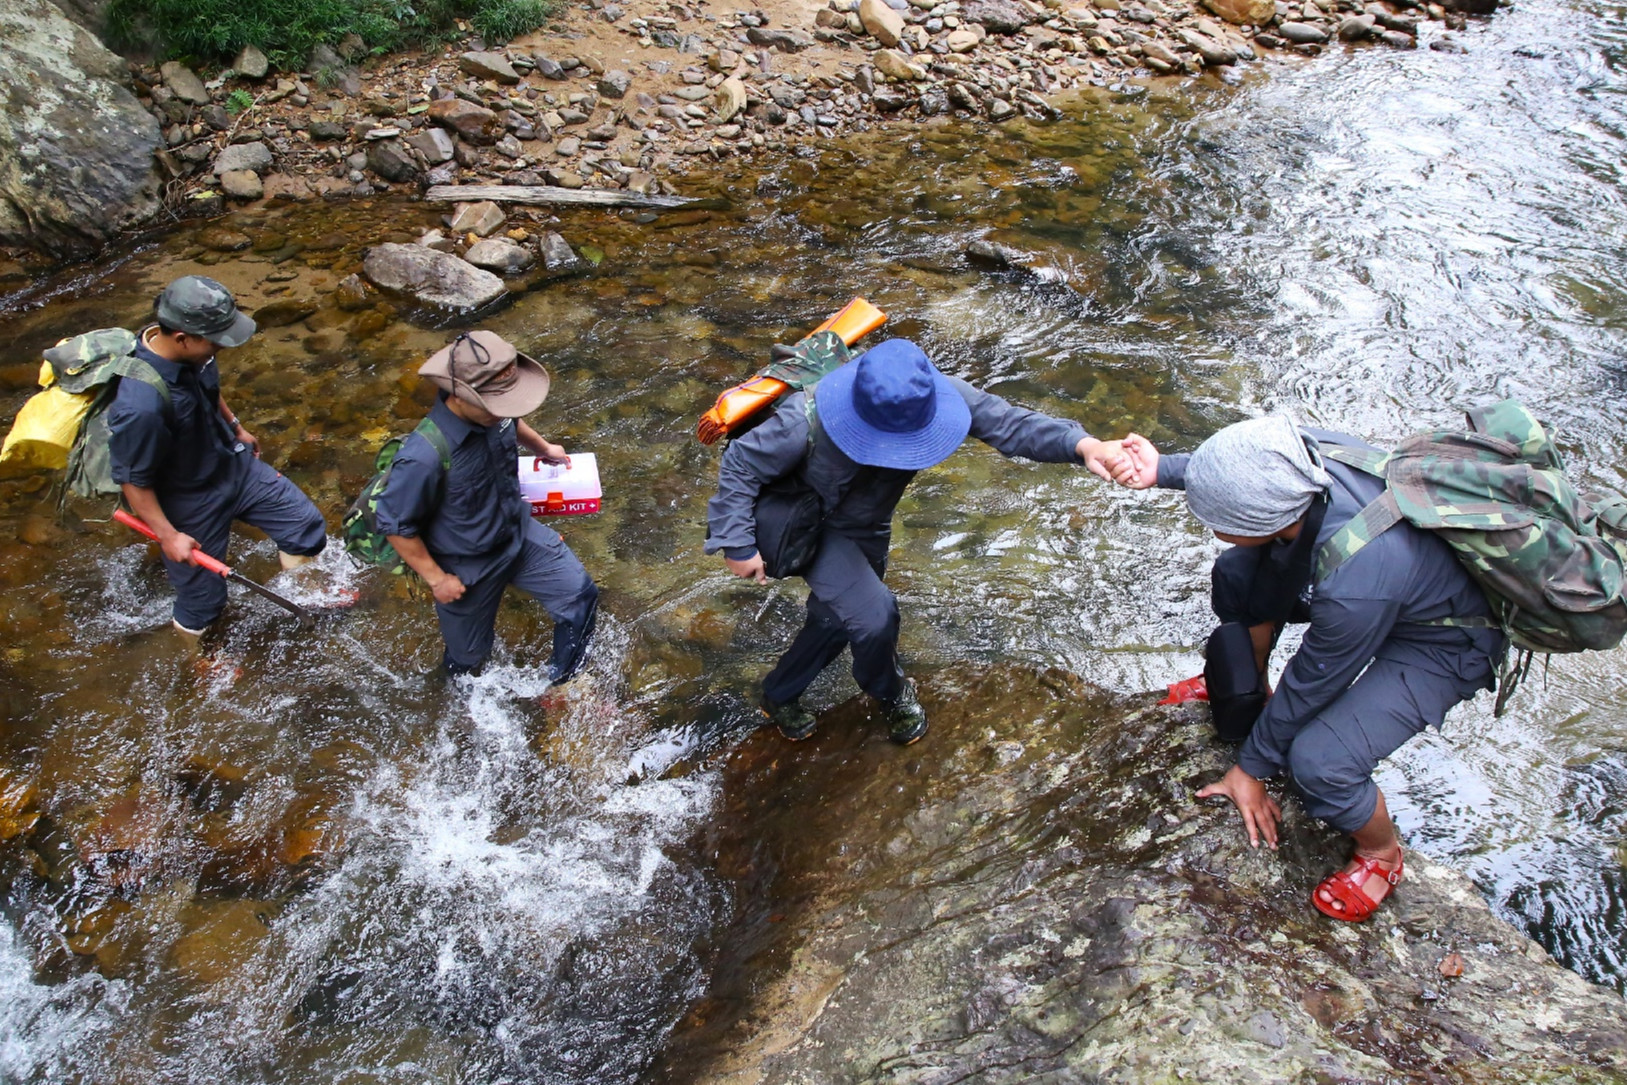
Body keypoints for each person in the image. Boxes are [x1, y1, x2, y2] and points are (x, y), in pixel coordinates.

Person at [1113, 417, 1505, 921]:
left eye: (1211, 514)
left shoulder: (1357, 582)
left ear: (1262, 519)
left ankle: (1382, 854)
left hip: (1445, 639)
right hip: (1392, 587)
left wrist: (1250, 768)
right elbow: (1242, 472)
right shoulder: (1305, 461)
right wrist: (1160, 468)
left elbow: (1315, 679)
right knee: (1237, 571)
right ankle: (1251, 685)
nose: (1202, 520)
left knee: (1319, 762)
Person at [705, 338, 1129, 745]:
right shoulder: (802, 418)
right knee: (874, 615)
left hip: (867, 522)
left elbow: (1010, 423)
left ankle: (779, 694)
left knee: (839, 616)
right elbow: (742, 464)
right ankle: (890, 692)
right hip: (804, 520)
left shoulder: (934, 394)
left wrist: (1083, 444)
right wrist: (738, 544)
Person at [108, 275, 328, 636]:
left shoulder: (197, 352)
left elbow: (207, 387)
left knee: (304, 527)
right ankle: (198, 661)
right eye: (216, 342)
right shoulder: (139, 407)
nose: (222, 348)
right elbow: (133, 480)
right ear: (182, 338)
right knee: (204, 602)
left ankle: (304, 591)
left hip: (231, 464)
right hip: (189, 499)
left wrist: (236, 425)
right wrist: (168, 536)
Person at [374, 331, 598, 683]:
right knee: (468, 665)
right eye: (497, 405)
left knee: (580, 597)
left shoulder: (496, 414)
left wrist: (543, 448)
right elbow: (395, 525)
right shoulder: (423, 457)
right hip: (466, 565)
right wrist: (437, 579)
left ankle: (563, 685)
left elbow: (513, 420)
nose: (504, 411)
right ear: (460, 397)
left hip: (517, 535)